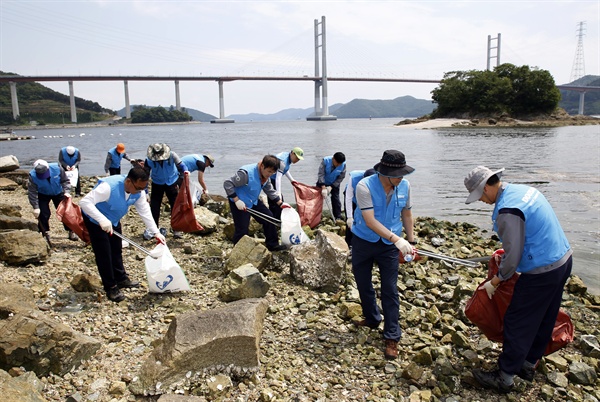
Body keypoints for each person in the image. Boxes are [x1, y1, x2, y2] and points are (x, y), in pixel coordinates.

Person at [464, 166, 573, 393]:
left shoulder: (507, 210)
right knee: (545, 315)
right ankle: (528, 363)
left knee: (517, 320)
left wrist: (495, 281)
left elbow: (513, 256)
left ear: (486, 187)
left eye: (480, 196)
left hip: (542, 269)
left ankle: (504, 377)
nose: (482, 201)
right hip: (563, 258)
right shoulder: (523, 191)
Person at [351, 150, 417, 360]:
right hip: (363, 240)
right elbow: (370, 220)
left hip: (389, 246)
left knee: (390, 289)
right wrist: (397, 240)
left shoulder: (404, 186)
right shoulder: (364, 186)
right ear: (385, 173)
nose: (401, 178)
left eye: (403, 174)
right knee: (363, 283)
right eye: (398, 174)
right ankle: (371, 318)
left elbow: (406, 213)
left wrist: (411, 240)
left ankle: (392, 336)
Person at [80, 167, 166, 303]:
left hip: (113, 219)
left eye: (143, 188)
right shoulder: (108, 187)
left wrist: (155, 232)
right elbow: (84, 202)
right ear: (128, 182)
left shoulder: (139, 192)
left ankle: (121, 278)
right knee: (104, 253)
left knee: (116, 248)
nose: (140, 191)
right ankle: (111, 286)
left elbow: (144, 211)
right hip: (95, 220)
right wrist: (101, 220)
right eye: (138, 188)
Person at [223, 155, 290, 252]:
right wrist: (236, 200)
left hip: (253, 200)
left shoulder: (265, 176)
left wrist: (280, 203)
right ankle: (238, 252)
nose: (270, 174)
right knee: (242, 229)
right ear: (262, 166)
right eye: (269, 171)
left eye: (273, 172)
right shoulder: (245, 174)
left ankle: (272, 245)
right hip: (240, 202)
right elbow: (227, 184)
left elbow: (269, 190)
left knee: (269, 218)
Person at [143, 143, 188, 239]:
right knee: (154, 206)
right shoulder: (149, 160)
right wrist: (145, 192)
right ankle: (153, 229)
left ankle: (176, 229)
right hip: (157, 183)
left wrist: (181, 180)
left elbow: (183, 167)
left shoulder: (172, 155)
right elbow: (145, 176)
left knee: (175, 206)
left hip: (172, 182)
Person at [27, 159, 77, 242]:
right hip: (43, 194)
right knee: (43, 213)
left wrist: (67, 192)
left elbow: (65, 181)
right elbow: (32, 192)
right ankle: (45, 232)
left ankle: (71, 231)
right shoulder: (32, 176)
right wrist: (35, 207)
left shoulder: (57, 168)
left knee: (65, 212)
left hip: (58, 192)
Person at [268, 147, 304, 220]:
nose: (297, 160)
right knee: (277, 201)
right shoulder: (283, 161)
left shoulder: (287, 157)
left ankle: (275, 219)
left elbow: (285, 169)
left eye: (299, 159)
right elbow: (278, 177)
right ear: (292, 153)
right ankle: (275, 220)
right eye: (297, 158)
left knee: (277, 201)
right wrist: (278, 193)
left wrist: (291, 180)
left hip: (273, 178)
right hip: (270, 179)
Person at [344, 168, 376, 247]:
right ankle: (349, 244)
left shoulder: (378, 180)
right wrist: (349, 217)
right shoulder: (354, 178)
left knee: (365, 220)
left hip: (365, 200)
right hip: (353, 199)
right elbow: (348, 198)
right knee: (351, 223)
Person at [317, 152, 346, 221]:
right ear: (333, 159)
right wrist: (323, 187)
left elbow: (341, 177)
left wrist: (331, 187)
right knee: (317, 198)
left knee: (335, 199)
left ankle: (337, 216)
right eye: (337, 163)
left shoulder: (343, 165)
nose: (338, 165)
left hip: (334, 183)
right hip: (322, 182)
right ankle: (316, 216)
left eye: (340, 164)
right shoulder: (325, 161)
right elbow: (321, 174)